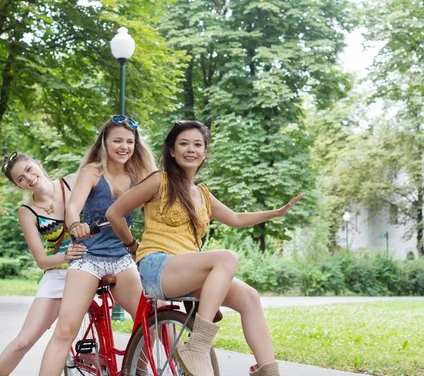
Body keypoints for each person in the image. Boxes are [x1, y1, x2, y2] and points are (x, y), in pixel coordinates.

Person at [106, 120, 305, 376]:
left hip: (187, 271)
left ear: (205, 152)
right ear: (172, 151)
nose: (191, 149)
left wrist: (276, 213)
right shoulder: (159, 181)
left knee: (250, 297)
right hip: (158, 267)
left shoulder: (202, 193)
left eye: (198, 144)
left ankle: (268, 371)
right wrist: (132, 245)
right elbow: (114, 213)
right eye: (184, 144)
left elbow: (235, 218)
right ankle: (198, 346)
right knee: (226, 258)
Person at [38, 115, 156, 376]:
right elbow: (73, 207)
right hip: (88, 256)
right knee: (65, 331)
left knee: (151, 322)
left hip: (121, 257)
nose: (124, 147)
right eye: (117, 140)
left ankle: (138, 369)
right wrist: (75, 224)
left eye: (129, 141)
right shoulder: (93, 171)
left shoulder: (140, 176)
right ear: (105, 142)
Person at [0, 152, 87, 376]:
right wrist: (67, 255)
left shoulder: (71, 182)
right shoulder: (27, 211)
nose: (28, 178)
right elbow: (42, 261)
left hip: (93, 266)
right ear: (18, 186)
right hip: (59, 275)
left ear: (38, 164)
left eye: (29, 169)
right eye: (20, 178)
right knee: (23, 341)